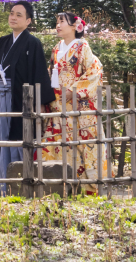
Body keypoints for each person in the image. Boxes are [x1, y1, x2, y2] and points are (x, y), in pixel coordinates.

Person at [0, 0, 55, 196]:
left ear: (28, 21)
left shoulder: (33, 43)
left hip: (21, 101)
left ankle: (16, 187)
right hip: (1, 98)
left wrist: (38, 103)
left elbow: (39, 74)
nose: (13, 17)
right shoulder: (3, 41)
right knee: (0, 139)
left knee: (18, 138)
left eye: (19, 15)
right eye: (11, 13)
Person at [40, 11, 106, 192]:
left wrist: (74, 90)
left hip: (78, 105)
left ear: (75, 26)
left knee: (83, 146)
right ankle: (60, 187)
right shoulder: (56, 48)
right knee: (59, 144)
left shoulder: (82, 46)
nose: (58, 25)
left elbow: (94, 71)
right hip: (58, 104)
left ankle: (87, 189)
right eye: (57, 22)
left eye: (62, 21)